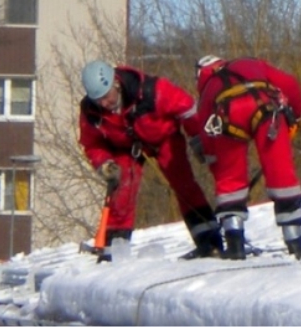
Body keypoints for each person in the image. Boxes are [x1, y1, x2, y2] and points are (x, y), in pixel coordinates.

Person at [78, 60, 223, 262]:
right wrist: (104, 164)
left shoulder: (150, 90)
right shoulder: (91, 113)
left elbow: (188, 108)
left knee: (184, 185)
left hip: (164, 139)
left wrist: (198, 138)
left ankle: (209, 241)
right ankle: (113, 252)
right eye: (98, 100)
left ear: (116, 85)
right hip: (126, 149)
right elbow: (92, 144)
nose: (104, 104)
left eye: (106, 97)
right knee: (122, 191)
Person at [190, 55, 301, 261]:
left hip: (226, 116)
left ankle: (235, 242)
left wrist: (213, 161)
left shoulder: (207, 90)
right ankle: (295, 242)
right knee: (281, 172)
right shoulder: (250, 64)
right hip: (265, 108)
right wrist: (297, 114)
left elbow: (207, 138)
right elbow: (289, 83)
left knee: (229, 178)